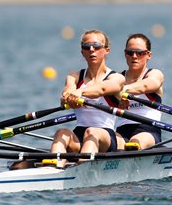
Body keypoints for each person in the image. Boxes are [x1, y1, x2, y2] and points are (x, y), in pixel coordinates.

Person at [50, 29, 125, 163]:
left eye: (96, 46)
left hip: (105, 136)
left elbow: (102, 88)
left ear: (106, 50)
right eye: (86, 47)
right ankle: (53, 168)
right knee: (61, 132)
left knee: (92, 132)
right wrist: (66, 98)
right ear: (82, 52)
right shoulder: (74, 76)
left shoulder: (116, 77)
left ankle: (81, 170)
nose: (91, 50)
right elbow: (68, 90)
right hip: (79, 134)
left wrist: (80, 92)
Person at [116, 33, 164, 150]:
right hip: (121, 131)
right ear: (125, 54)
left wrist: (123, 90)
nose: (134, 56)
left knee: (134, 143)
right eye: (130, 52)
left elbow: (145, 86)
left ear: (148, 55)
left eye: (140, 53)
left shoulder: (154, 74)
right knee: (106, 140)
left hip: (148, 131)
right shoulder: (116, 78)